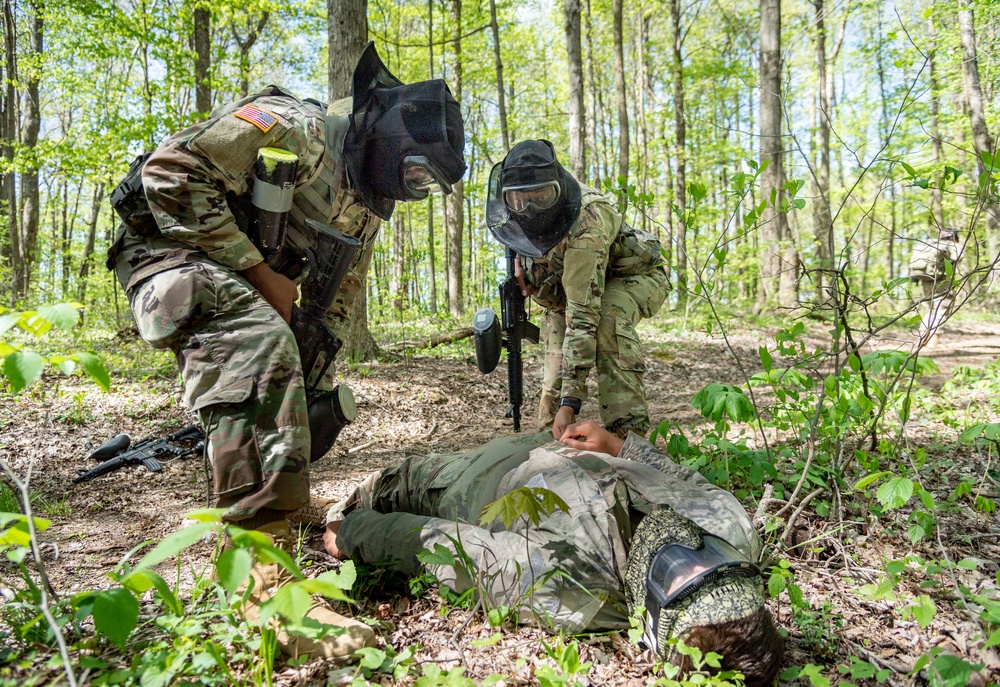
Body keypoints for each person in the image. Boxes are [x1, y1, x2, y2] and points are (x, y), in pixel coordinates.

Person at [107, 42, 466, 661]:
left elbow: (336, 296)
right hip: (169, 257)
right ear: (388, 136)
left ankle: (281, 507)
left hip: (248, 276)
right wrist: (257, 271)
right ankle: (259, 587)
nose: (412, 186)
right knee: (261, 340)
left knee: (311, 376)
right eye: (413, 171)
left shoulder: (364, 198)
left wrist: (313, 376)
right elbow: (169, 174)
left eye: (424, 183)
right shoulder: (297, 130)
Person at [323, 421, 784, 685]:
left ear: (649, 619)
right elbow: (692, 481)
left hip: (478, 481)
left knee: (389, 483)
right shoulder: (733, 531)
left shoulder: (580, 589)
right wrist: (622, 445)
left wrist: (355, 533)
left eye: (675, 575)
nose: (686, 551)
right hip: (561, 446)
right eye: (712, 564)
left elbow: (445, 547)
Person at [484, 140, 669, 440]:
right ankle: (553, 440)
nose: (530, 208)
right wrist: (528, 286)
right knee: (556, 369)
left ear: (557, 191)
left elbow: (584, 318)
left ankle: (628, 441)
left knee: (607, 319)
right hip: (572, 291)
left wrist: (571, 402)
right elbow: (558, 294)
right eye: (520, 200)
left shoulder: (587, 221)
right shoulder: (512, 222)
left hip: (629, 276)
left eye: (541, 197)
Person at [908, 228, 962, 347]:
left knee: (930, 309)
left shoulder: (929, 243)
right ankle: (933, 342)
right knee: (941, 310)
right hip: (942, 281)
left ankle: (922, 339)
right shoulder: (950, 244)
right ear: (953, 237)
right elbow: (957, 257)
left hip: (925, 280)